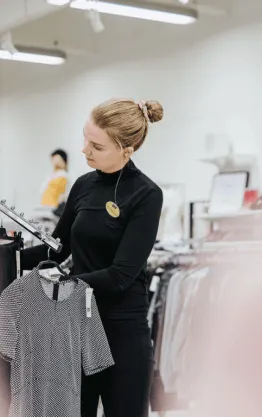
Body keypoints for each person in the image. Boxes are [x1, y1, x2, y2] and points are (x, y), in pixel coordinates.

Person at [21, 98, 164, 417]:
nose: (84, 150)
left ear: (125, 149)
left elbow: (120, 275)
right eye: (85, 138)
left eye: (96, 146)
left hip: (121, 333)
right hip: (76, 328)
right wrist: (10, 256)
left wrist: (59, 285)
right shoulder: (84, 185)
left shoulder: (146, 194)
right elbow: (57, 246)